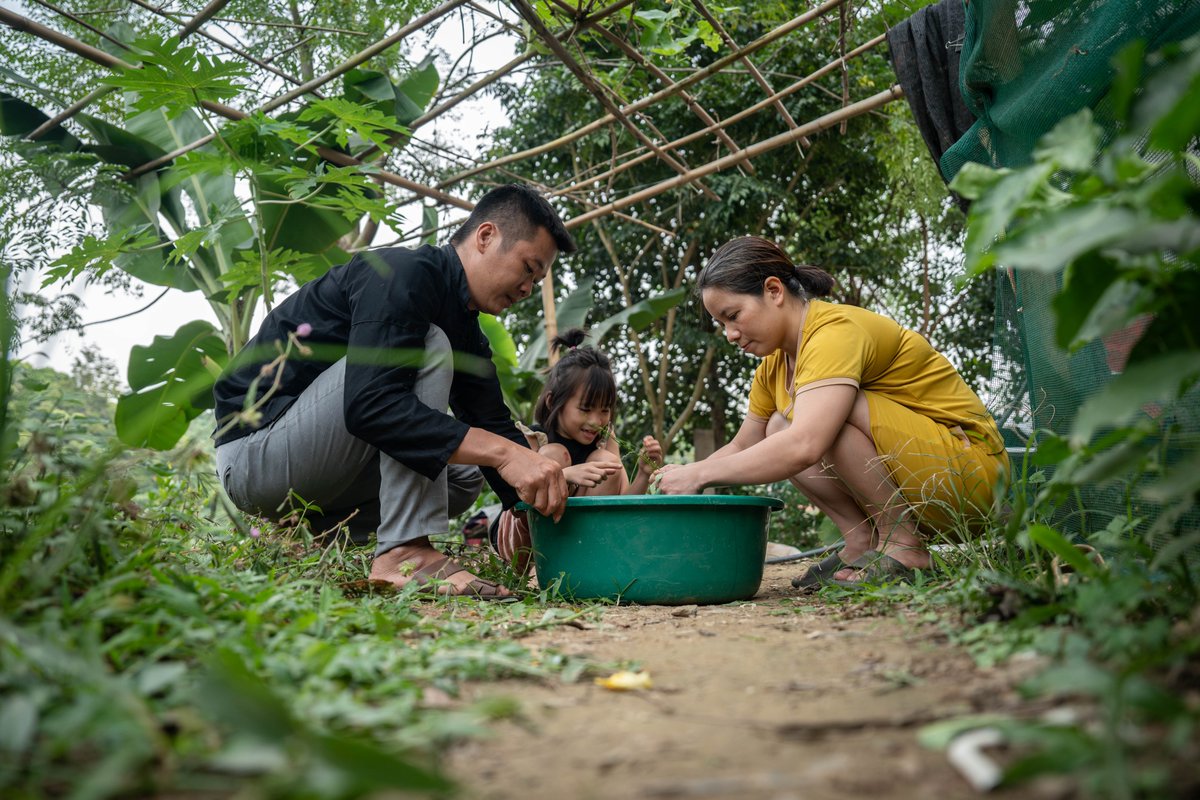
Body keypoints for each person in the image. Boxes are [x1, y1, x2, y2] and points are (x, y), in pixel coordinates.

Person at [213, 184, 575, 597]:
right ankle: (406, 553)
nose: (528, 288)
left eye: (538, 278)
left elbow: (490, 420)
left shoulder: (466, 328)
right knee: (427, 347)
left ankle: (308, 531)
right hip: (254, 456)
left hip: (308, 471)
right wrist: (507, 453)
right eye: (528, 268)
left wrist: (540, 510)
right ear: (486, 236)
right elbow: (371, 406)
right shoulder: (404, 274)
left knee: (463, 475)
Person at [652, 236, 1007, 587]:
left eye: (733, 316)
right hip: (925, 478)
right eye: (722, 324)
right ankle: (861, 542)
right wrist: (691, 471)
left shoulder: (833, 333)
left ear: (774, 291)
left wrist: (700, 476)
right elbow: (745, 444)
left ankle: (904, 544)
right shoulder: (773, 367)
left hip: (972, 474)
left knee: (823, 417)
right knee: (777, 426)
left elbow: (805, 444)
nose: (729, 334)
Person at [494, 328, 664, 573]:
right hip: (525, 545)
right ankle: (540, 567)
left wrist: (643, 474)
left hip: (580, 543)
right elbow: (519, 497)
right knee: (554, 456)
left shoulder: (605, 439)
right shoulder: (533, 438)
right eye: (585, 409)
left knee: (606, 462)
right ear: (554, 402)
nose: (596, 421)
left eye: (604, 410)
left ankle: (588, 560)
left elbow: (623, 500)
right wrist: (564, 475)